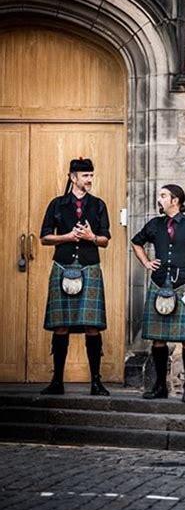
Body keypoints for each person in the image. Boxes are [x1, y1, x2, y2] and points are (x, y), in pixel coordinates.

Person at [39, 158, 111, 396]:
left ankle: (96, 382)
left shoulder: (99, 205)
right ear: (73, 177)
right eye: (85, 176)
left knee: (92, 326)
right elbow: (44, 237)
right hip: (62, 265)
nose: (89, 180)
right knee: (61, 326)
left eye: (91, 175)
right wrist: (68, 237)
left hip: (89, 267)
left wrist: (91, 237)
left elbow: (105, 240)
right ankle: (57, 381)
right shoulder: (57, 204)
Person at [131, 184, 185, 403]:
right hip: (159, 285)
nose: (159, 199)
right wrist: (146, 261)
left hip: (184, 286)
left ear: (176, 200)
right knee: (158, 339)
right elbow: (136, 243)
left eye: (163, 196)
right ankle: (159, 386)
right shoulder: (155, 224)